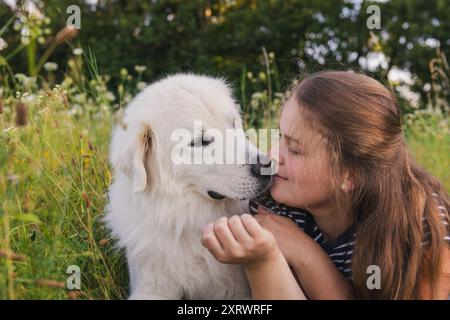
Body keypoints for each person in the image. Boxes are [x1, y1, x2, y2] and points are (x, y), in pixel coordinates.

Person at [201, 70, 450, 299]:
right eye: (280, 137)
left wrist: (307, 256)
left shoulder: (419, 227)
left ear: (349, 176)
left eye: (295, 149)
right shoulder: (276, 206)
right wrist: (264, 260)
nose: (272, 156)